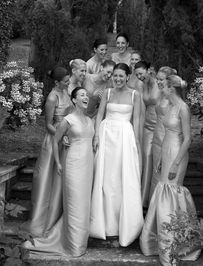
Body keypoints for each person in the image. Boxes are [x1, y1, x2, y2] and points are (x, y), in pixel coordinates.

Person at [23, 87, 94, 257]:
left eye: (86, 95)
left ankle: (79, 242)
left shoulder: (90, 120)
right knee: (74, 202)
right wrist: (57, 162)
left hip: (88, 166)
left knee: (83, 204)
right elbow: (55, 141)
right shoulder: (68, 120)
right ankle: (72, 245)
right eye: (82, 95)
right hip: (72, 165)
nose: (86, 97)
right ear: (74, 100)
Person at [140, 75, 201, 265]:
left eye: (163, 86)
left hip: (177, 153)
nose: (161, 89)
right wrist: (160, 161)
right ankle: (159, 242)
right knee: (163, 190)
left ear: (171, 89)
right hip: (165, 151)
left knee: (172, 192)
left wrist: (175, 163)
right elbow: (165, 132)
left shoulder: (183, 108)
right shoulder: (170, 106)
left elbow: (188, 139)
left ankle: (175, 244)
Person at [90, 63, 144, 247]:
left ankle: (123, 225)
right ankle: (104, 225)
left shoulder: (135, 95)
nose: (118, 79)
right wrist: (96, 135)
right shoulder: (107, 92)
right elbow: (99, 115)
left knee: (122, 180)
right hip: (106, 135)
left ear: (128, 77)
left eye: (121, 76)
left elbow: (136, 120)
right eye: (115, 76)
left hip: (124, 138)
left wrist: (136, 143)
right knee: (105, 179)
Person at [21, 67, 72, 237]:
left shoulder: (66, 91)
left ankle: (59, 215)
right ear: (56, 82)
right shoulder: (52, 97)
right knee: (49, 179)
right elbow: (48, 124)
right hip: (54, 140)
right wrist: (60, 135)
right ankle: (42, 220)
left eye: (68, 79)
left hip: (66, 137)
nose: (68, 82)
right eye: (65, 80)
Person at [149, 66, 177, 200]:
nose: (158, 82)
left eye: (161, 80)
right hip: (157, 139)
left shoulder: (173, 99)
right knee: (156, 176)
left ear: (169, 81)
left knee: (164, 178)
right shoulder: (161, 94)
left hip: (168, 141)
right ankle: (154, 213)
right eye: (157, 79)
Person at [134, 60, 159, 208]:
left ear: (149, 70)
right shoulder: (142, 85)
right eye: (137, 75)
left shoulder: (160, 83)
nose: (139, 77)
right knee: (146, 157)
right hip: (148, 126)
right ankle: (143, 199)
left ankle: (155, 200)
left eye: (141, 73)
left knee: (156, 160)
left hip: (160, 125)